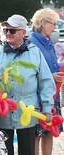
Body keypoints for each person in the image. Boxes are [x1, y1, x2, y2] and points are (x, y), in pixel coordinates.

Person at [0, 14, 56, 155]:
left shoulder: (35, 52)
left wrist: (47, 107)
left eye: (12, 30)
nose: (8, 34)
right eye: (6, 30)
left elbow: (46, 81)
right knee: (4, 151)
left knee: (28, 151)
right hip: (3, 113)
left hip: (27, 112)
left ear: (23, 32)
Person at [28, 8, 64, 155]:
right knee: (36, 134)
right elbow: (31, 69)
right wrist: (51, 75)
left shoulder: (48, 41)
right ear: (43, 23)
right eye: (53, 23)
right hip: (37, 95)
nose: (55, 27)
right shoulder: (32, 41)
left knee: (49, 131)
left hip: (52, 93)